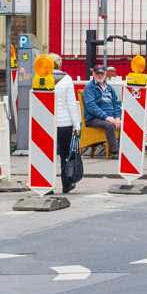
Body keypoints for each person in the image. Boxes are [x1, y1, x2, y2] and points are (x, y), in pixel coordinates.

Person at [50, 54, 81, 195]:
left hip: (47, 124)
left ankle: (47, 185)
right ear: (60, 64)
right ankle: (66, 184)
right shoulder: (67, 80)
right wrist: (76, 126)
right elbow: (71, 105)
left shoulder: (41, 79)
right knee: (64, 155)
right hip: (64, 124)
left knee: (46, 154)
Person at [82, 64, 121, 157]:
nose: (100, 75)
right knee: (110, 125)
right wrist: (106, 117)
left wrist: (118, 117)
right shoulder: (89, 88)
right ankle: (114, 152)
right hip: (93, 119)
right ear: (93, 74)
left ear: (105, 74)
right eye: (97, 73)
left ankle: (123, 150)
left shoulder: (110, 88)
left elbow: (117, 104)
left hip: (110, 117)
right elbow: (91, 106)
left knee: (125, 124)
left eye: (102, 73)